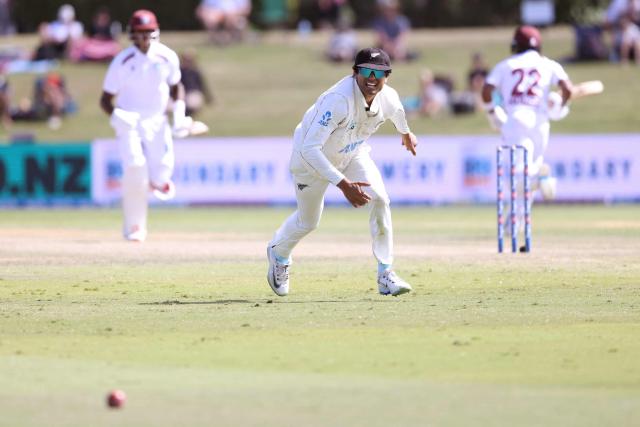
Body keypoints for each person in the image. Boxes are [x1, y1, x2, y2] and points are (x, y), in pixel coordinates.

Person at [266, 47, 418, 297]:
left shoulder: (388, 97)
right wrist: (343, 184)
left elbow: (398, 114)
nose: (372, 78)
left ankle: (385, 273)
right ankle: (279, 253)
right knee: (309, 221)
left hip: (352, 152)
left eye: (379, 73)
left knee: (380, 198)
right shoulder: (338, 100)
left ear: (387, 76)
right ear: (355, 72)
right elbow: (309, 149)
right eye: (366, 71)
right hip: (311, 162)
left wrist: (406, 133)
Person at [481, 25, 574, 250]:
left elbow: (486, 89)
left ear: (515, 45)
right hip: (541, 122)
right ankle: (515, 226)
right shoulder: (549, 64)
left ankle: (540, 181)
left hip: (516, 119)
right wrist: (558, 106)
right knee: (529, 173)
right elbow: (568, 89)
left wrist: (492, 111)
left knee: (516, 176)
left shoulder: (506, 65)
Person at [99, 10, 185, 242]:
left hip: (157, 120)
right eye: (140, 32)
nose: (144, 37)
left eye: (148, 32)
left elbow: (176, 87)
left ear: (155, 32)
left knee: (162, 174)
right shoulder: (123, 61)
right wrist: (118, 116)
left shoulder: (166, 57)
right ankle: (135, 227)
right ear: (132, 34)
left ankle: (157, 182)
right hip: (129, 121)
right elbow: (105, 100)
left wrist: (179, 114)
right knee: (135, 167)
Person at [180, 50, 214, 116]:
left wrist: (208, 98)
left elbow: (202, 85)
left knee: (192, 103)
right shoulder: (179, 71)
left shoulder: (195, 71)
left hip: (193, 93)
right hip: (182, 93)